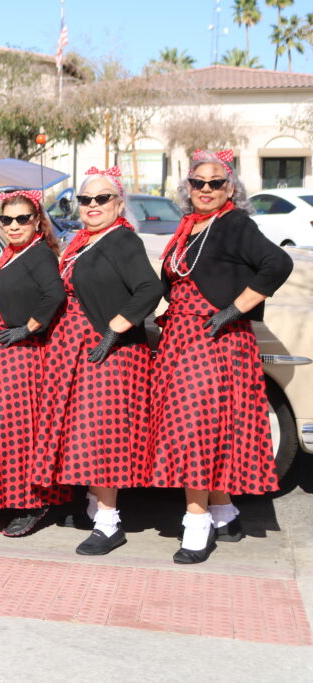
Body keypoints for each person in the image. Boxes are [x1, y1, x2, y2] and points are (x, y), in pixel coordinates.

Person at [147, 150, 293, 564]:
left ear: (231, 188)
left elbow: (278, 263)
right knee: (205, 429)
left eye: (216, 182)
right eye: (198, 182)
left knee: (193, 430)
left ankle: (197, 524)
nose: (206, 189)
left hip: (215, 340)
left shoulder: (234, 223)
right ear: (188, 186)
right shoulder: (189, 226)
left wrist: (234, 310)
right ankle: (225, 513)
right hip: (181, 339)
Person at [33, 166, 162, 556]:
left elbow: (150, 289)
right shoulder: (83, 241)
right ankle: (93, 506)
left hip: (108, 353)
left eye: (102, 198)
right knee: (81, 433)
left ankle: (108, 523)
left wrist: (114, 329)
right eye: (86, 199)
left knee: (100, 436)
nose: (92, 205)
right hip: (75, 351)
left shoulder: (122, 240)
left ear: (118, 204)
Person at [0, 190, 71, 537]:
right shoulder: (12, 253)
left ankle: (30, 502)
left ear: (36, 222)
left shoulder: (39, 254)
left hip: (21, 356)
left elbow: (55, 294)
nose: (14, 225)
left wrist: (28, 328)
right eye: (7, 219)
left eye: (22, 219)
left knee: (15, 430)